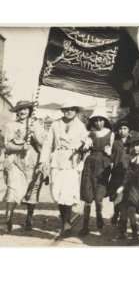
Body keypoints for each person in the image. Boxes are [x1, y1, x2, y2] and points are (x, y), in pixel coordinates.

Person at [38, 99, 89, 238]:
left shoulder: (80, 126)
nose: (69, 111)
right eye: (66, 109)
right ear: (62, 110)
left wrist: (85, 146)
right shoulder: (56, 124)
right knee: (57, 193)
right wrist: (43, 161)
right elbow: (48, 144)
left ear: (76, 111)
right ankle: (65, 219)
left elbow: (87, 141)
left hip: (71, 162)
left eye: (72, 109)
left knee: (67, 193)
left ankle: (65, 223)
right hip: (57, 161)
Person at [2, 100, 45, 233]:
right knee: (12, 188)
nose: (23, 112)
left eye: (26, 109)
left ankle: (29, 219)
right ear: (17, 111)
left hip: (32, 161)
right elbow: (7, 145)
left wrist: (35, 134)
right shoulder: (10, 126)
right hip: (15, 161)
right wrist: (21, 147)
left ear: (30, 110)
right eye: (20, 109)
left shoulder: (36, 124)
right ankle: (8, 218)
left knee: (32, 189)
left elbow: (44, 144)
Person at [79, 107, 115, 236]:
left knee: (99, 196)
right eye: (96, 120)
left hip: (103, 166)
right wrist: (85, 147)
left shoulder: (111, 134)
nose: (98, 123)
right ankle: (85, 225)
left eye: (101, 120)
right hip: (90, 164)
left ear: (105, 121)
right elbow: (84, 148)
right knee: (88, 196)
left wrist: (109, 152)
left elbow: (113, 153)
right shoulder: (90, 133)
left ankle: (99, 215)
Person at [116, 132, 139, 243]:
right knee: (129, 208)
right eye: (133, 145)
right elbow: (128, 175)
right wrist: (122, 186)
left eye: (138, 145)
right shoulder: (133, 159)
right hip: (133, 188)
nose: (135, 148)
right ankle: (134, 235)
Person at [109, 120, 132, 225]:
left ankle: (124, 217)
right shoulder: (115, 143)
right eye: (120, 129)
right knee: (116, 194)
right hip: (117, 172)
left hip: (128, 172)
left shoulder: (132, 142)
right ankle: (116, 213)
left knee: (127, 195)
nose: (122, 131)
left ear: (129, 130)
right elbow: (112, 157)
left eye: (125, 129)